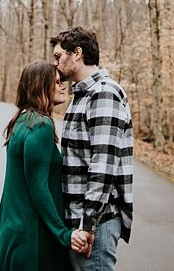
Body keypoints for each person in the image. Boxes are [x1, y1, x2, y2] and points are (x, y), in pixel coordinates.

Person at [0, 61, 92, 271]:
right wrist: (64, 234)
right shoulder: (40, 126)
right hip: (31, 238)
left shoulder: (22, 120)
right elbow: (39, 188)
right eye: (57, 82)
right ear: (40, 86)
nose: (63, 85)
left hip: (14, 231)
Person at [52, 26, 134, 271]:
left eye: (58, 57)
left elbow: (103, 166)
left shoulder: (104, 93)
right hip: (76, 220)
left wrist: (88, 225)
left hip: (94, 222)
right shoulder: (81, 96)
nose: (55, 64)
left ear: (76, 53)